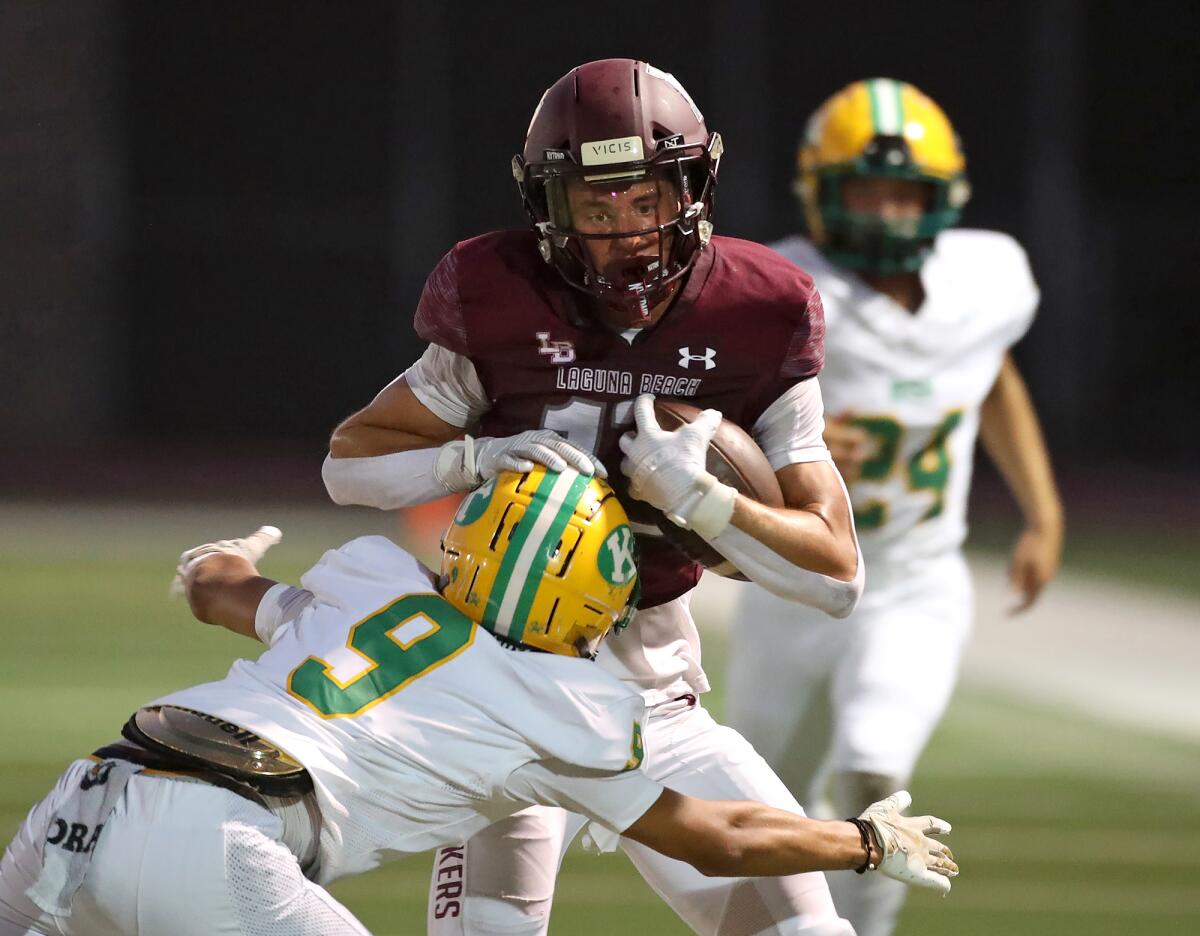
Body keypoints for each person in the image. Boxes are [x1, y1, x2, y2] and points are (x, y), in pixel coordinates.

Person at [321, 58, 868, 936]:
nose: (626, 230)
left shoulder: (759, 310)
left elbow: (837, 580)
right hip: (500, 678)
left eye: (646, 199)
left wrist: (709, 505)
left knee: (807, 933)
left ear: (692, 189)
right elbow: (349, 466)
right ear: (550, 209)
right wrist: (475, 459)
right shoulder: (497, 291)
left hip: (652, 680)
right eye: (595, 206)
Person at [0, 471, 956, 936]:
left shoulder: (374, 581)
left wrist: (219, 558)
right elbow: (718, 838)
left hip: (86, 798)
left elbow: (222, 591)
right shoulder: (558, 701)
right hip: (224, 847)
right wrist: (862, 841)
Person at [725, 78, 1063, 936]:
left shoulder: (987, 280)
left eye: (905, 193)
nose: (886, 212)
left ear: (943, 197)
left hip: (911, 582)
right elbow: (714, 426)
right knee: (763, 802)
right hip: (792, 590)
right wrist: (780, 457)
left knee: (875, 776)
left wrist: (1042, 511)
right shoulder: (783, 291)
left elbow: (992, 380)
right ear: (822, 195)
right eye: (866, 191)